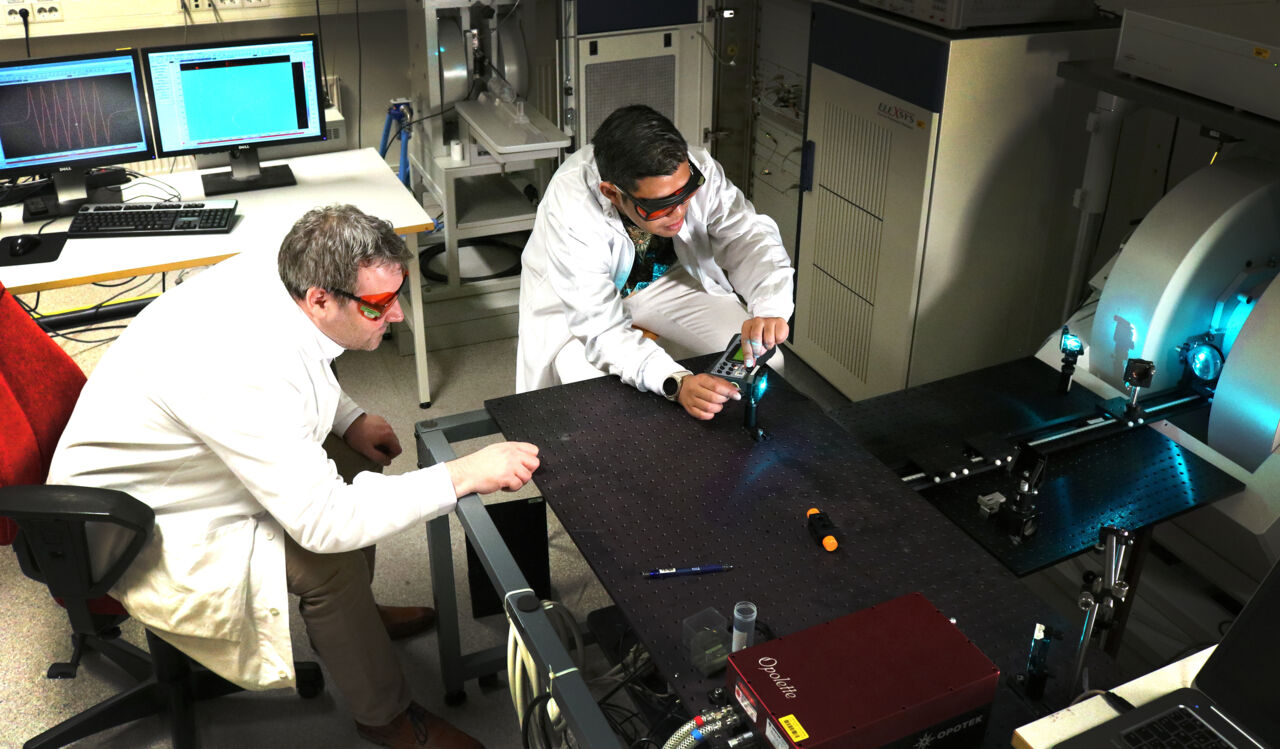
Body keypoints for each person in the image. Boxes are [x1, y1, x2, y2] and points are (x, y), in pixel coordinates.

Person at [47, 205, 540, 749]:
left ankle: (357, 621)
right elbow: (324, 523)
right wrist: (462, 474)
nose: (397, 316)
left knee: (356, 459)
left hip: (188, 458)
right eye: (379, 305)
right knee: (327, 562)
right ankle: (387, 719)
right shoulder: (239, 366)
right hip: (130, 520)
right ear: (320, 298)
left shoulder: (282, 266)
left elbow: (305, 363)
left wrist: (348, 417)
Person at [517, 104, 794, 420]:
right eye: (661, 206)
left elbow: (747, 236)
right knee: (598, 402)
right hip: (578, 306)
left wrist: (770, 305)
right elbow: (601, 329)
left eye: (685, 194)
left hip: (662, 282)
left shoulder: (694, 168)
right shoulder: (572, 211)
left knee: (767, 361)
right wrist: (677, 382)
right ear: (612, 193)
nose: (679, 214)